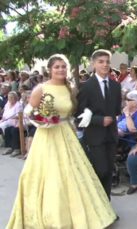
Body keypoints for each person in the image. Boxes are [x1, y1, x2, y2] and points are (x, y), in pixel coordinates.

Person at [7, 54, 116, 229]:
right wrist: (41, 120)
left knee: (74, 174)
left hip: (67, 134)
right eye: (57, 67)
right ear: (50, 69)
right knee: (49, 175)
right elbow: (28, 111)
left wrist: (89, 116)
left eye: (63, 66)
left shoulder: (70, 89)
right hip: (46, 137)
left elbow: (74, 112)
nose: (60, 70)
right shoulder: (41, 88)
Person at [76, 49, 122, 198]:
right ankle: (95, 203)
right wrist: (99, 120)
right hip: (95, 136)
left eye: (107, 62)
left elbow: (116, 110)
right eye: (101, 62)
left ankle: (106, 207)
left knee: (109, 171)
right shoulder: (86, 86)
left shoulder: (116, 86)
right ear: (93, 64)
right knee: (100, 170)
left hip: (111, 135)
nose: (105, 65)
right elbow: (78, 116)